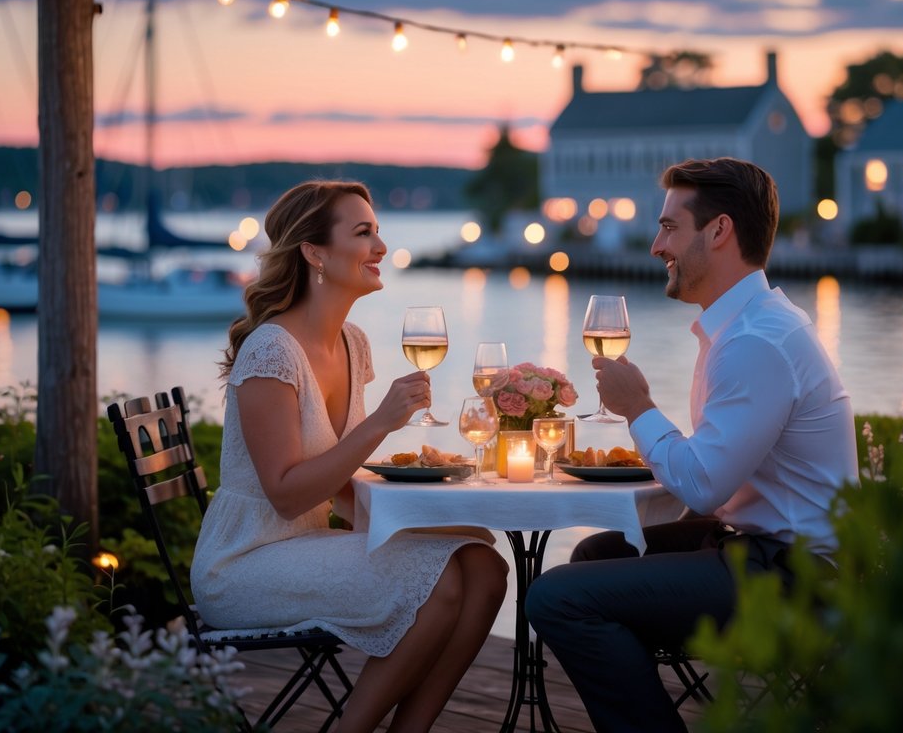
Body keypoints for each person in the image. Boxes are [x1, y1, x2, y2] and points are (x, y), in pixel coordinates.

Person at [526, 158, 858, 732]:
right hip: (755, 546)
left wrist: (639, 409)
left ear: (720, 231)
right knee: (596, 557)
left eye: (669, 227)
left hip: (795, 578)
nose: (656, 245)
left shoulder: (756, 341)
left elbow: (704, 484)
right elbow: (712, 478)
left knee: (557, 598)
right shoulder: (744, 326)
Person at [191, 180, 508, 733]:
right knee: (442, 581)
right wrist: (385, 421)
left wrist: (435, 516)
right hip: (245, 562)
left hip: (307, 544)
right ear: (314, 252)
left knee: (484, 566)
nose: (381, 246)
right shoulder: (270, 350)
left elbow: (341, 487)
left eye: (378, 230)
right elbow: (287, 494)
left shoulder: (352, 342)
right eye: (363, 233)